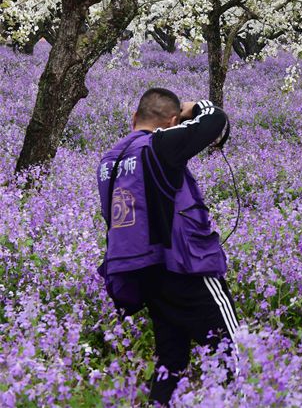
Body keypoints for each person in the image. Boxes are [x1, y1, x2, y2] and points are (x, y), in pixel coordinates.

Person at [97, 89, 237, 406]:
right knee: (237, 353)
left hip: (144, 275)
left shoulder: (110, 160)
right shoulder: (160, 145)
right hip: (184, 267)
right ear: (172, 122)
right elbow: (215, 120)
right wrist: (196, 108)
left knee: (169, 363)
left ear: (134, 118)